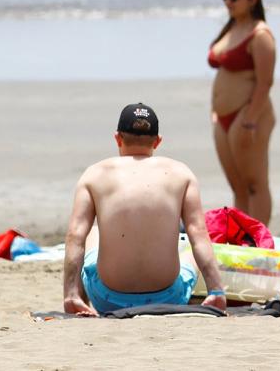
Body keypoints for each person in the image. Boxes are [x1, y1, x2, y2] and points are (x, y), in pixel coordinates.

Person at [62, 102, 228, 315]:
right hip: (169, 297)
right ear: (157, 142)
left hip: (107, 299)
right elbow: (199, 234)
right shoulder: (181, 173)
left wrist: (69, 294)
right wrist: (217, 290)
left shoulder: (94, 174)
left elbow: (74, 235)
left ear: (117, 138)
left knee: (89, 233)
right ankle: (213, 292)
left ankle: (78, 302)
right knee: (189, 249)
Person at [207, 0, 276, 224]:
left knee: (254, 183)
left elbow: (265, 82)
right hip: (223, 118)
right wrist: (216, 114)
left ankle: (258, 239)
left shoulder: (261, 35)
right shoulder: (231, 28)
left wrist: (250, 119)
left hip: (248, 115)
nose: (228, 1)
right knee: (237, 186)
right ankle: (243, 239)